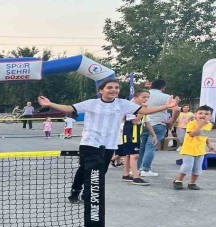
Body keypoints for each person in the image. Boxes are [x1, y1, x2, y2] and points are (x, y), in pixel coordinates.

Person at [37, 79, 177, 203]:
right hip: (89, 142)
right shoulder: (91, 103)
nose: (114, 90)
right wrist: (50, 104)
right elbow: (69, 108)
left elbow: (145, 111)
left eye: (116, 88)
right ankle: (78, 192)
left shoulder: (123, 104)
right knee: (86, 169)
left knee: (101, 171)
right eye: (110, 87)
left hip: (109, 144)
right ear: (101, 90)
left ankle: (88, 194)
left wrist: (167, 106)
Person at [138, 79, 180, 177]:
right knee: (151, 147)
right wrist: (171, 122)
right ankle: (146, 169)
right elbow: (177, 110)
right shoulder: (166, 97)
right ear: (163, 87)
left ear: (151, 86)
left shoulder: (142, 95)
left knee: (141, 147)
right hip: (158, 124)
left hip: (143, 124)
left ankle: (137, 168)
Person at [174, 105, 215, 190]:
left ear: (210, 116)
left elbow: (205, 135)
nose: (203, 115)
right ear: (195, 114)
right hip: (189, 149)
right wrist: (200, 125)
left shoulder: (209, 125)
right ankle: (178, 181)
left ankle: (192, 183)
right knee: (187, 166)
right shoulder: (191, 123)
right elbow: (192, 134)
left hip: (200, 150)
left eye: (206, 114)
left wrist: (209, 145)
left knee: (197, 169)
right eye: (200, 113)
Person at [117, 90, 150, 185]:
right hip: (130, 134)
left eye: (148, 97)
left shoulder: (142, 108)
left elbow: (147, 122)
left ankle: (126, 174)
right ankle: (136, 177)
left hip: (136, 134)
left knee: (129, 155)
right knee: (134, 155)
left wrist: (154, 134)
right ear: (136, 97)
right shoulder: (131, 108)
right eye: (144, 97)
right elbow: (135, 121)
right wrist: (142, 111)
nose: (146, 99)